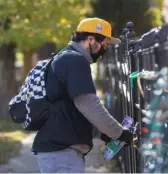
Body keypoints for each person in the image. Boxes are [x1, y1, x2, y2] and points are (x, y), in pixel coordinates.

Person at [32, 17, 134, 173]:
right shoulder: (75, 61)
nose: (104, 50)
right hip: (61, 154)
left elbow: (72, 110)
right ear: (91, 39)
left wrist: (102, 133)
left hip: (58, 151)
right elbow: (88, 105)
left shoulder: (66, 57)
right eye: (104, 45)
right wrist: (119, 133)